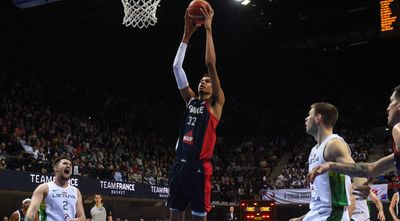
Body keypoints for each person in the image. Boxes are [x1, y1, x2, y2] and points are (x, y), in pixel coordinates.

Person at [167, 3, 225, 221]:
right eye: (201, 81)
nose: (203, 82)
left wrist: (208, 30)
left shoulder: (216, 104)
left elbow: (210, 63)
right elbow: (176, 68)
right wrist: (186, 36)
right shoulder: (190, 101)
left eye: (207, 82)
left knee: (199, 218)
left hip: (199, 170)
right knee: (174, 215)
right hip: (179, 166)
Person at [289, 102, 366, 221]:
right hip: (316, 213)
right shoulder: (314, 150)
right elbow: (322, 200)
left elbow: (355, 169)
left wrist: (361, 183)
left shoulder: (334, 144)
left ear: (318, 118)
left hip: (333, 215)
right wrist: (302, 218)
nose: (306, 118)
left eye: (309, 115)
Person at [308, 85, 400, 183]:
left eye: (391, 101)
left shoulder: (397, 128)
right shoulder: (397, 154)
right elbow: (370, 169)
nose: (388, 108)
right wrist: (331, 165)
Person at [24, 156, 86, 221]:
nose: (68, 166)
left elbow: (82, 218)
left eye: (70, 165)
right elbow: (31, 214)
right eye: (65, 163)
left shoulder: (76, 191)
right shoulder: (44, 188)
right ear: (56, 168)